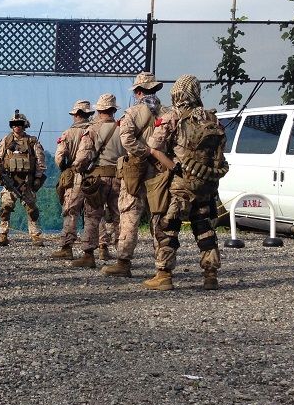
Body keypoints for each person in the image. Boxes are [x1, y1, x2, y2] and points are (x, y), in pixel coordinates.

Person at [144, 74, 229, 290]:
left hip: (181, 184)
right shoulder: (211, 118)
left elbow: (154, 149)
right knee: (204, 228)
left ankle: (164, 275)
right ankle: (210, 275)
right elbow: (221, 150)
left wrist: (175, 167)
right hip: (206, 183)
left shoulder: (172, 117)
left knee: (168, 227)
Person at [103, 71, 169, 278]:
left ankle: (123, 263)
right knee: (160, 215)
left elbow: (127, 141)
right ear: (155, 89)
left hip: (135, 170)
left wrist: (146, 152)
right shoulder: (169, 113)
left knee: (129, 215)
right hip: (162, 170)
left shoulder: (131, 113)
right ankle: (163, 266)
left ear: (138, 91)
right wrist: (159, 156)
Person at [71, 94, 124, 268]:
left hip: (98, 180)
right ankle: (122, 258)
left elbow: (83, 156)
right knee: (119, 218)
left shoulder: (92, 129)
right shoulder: (122, 128)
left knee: (92, 216)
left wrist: (78, 169)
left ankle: (89, 255)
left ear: (99, 110)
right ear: (114, 110)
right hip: (120, 177)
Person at [0, 111, 46, 246]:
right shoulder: (6, 140)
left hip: (26, 181)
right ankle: (3, 235)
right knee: (5, 209)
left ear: (24, 125)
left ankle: (35, 236)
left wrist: (38, 177)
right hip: (10, 180)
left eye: (20, 124)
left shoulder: (32, 142)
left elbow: (40, 162)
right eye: (14, 124)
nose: (17, 126)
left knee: (32, 210)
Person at [51, 100, 93, 259]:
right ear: (89, 114)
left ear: (75, 115)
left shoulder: (67, 133)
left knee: (71, 211)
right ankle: (102, 247)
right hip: (95, 176)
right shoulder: (95, 130)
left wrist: (65, 168)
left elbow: (59, 157)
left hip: (75, 176)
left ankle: (67, 248)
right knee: (94, 213)